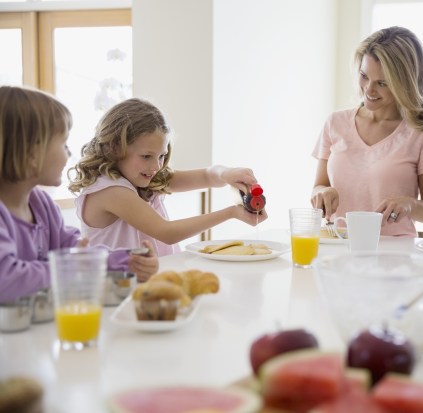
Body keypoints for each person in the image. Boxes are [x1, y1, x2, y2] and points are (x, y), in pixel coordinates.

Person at [0, 86, 159, 302]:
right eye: (64, 143)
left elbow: (75, 248)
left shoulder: (41, 205)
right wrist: (71, 268)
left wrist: (127, 260)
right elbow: (6, 279)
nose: (69, 153)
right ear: (32, 153)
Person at [68, 98, 267, 256]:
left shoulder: (141, 177)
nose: (156, 166)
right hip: (120, 292)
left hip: (152, 284)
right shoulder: (110, 190)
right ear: (115, 148)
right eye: (146, 156)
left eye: (161, 156)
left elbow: (207, 176)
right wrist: (231, 213)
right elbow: (167, 232)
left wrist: (228, 174)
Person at [311, 26, 423, 236]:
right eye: (364, 76)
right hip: (337, 247)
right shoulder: (335, 123)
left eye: (382, 83)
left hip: (394, 255)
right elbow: (318, 187)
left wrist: (409, 205)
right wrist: (322, 193)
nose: (369, 90)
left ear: (405, 83)